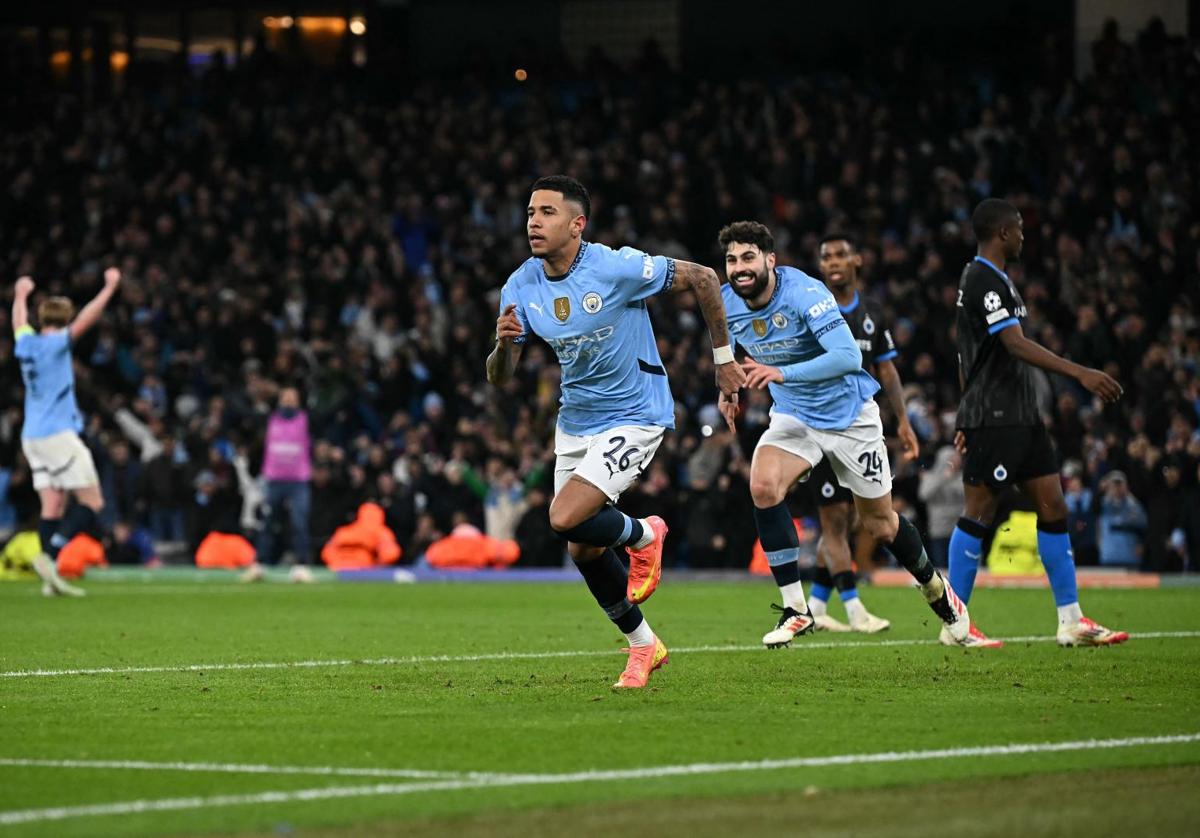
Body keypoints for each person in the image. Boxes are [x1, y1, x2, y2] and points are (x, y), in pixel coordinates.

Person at [487, 175, 745, 688]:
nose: (533, 222)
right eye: (530, 212)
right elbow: (500, 377)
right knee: (582, 547)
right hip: (576, 422)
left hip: (635, 414)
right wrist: (503, 346)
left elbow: (704, 278)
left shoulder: (616, 266)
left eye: (547, 212)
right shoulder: (520, 285)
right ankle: (644, 645)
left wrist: (723, 361)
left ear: (577, 225)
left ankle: (645, 533)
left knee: (563, 518)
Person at [714, 221, 984, 648]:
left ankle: (940, 594)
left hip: (850, 419)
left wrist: (782, 372)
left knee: (880, 524)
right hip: (795, 416)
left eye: (748, 258)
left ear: (770, 260)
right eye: (731, 260)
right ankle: (797, 610)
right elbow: (725, 352)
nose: (739, 268)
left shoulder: (805, 294)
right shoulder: (726, 303)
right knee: (763, 486)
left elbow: (844, 356)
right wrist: (727, 389)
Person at [948, 198, 1128, 646]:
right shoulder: (983, 279)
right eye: (1021, 228)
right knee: (979, 511)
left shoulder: (998, 281)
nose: (1025, 236)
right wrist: (1079, 372)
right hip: (996, 418)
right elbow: (1013, 343)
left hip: (1021, 418)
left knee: (1054, 506)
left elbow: (964, 353)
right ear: (1003, 233)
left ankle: (1071, 620)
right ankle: (955, 623)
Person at [804, 233, 920, 633]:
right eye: (826, 256)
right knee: (834, 523)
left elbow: (886, 369)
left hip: (857, 430)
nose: (833, 261)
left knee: (854, 521)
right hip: (819, 428)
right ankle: (854, 610)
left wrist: (903, 421)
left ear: (856, 260)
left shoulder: (872, 312)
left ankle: (816, 608)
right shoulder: (811, 308)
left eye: (840, 254)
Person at [12, 268, 121, 597]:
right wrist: (109, 287)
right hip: (58, 433)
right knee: (93, 501)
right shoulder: (56, 343)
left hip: (31, 437)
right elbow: (89, 318)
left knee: (53, 505)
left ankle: (51, 580)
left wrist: (20, 294)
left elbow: (18, 322)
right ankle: (50, 552)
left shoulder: (26, 343)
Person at [242, 386, 314, 583]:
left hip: (298, 480)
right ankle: (259, 565)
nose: (289, 401)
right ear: (279, 400)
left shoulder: (306, 420)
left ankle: (302, 566)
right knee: (267, 523)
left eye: (293, 398)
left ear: (299, 401)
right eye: (286, 398)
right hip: (274, 480)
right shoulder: (269, 419)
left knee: (299, 522)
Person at [1097, 470, 1146, 568]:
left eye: (1120, 484)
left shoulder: (1134, 505)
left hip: (1130, 557)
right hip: (1108, 556)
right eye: (1114, 484)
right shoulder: (1101, 504)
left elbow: (1143, 524)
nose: (1117, 488)